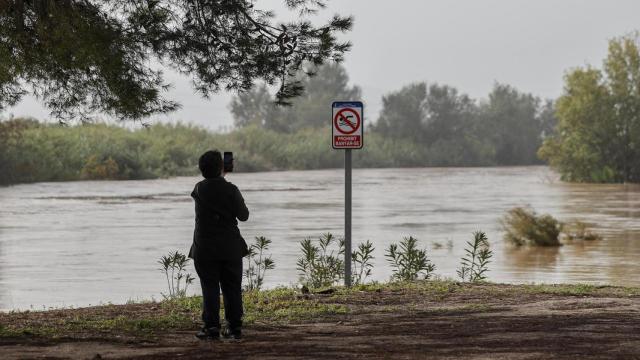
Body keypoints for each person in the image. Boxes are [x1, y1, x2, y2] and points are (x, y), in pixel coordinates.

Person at [189, 150, 249, 340]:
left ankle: (211, 327)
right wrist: (223, 177)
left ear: (201, 170)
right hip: (230, 248)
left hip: (204, 249)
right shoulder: (231, 190)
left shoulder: (198, 189)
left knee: (209, 287)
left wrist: (219, 174)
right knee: (232, 288)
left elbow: (211, 184)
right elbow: (244, 216)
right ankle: (234, 328)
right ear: (222, 168)